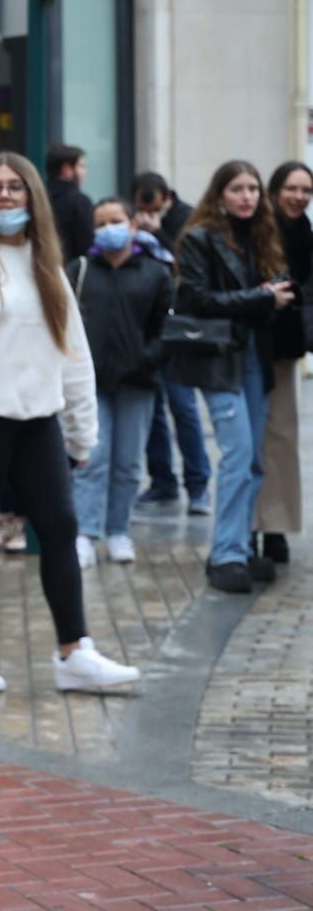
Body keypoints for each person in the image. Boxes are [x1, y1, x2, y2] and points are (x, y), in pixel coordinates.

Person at [0, 151, 141, 694]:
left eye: (16, 188)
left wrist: (83, 432)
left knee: (60, 528)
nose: (6, 197)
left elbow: (74, 354)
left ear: (32, 197)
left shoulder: (47, 267)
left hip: (38, 422)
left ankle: (74, 651)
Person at [171, 160, 296, 593]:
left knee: (255, 458)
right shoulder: (199, 238)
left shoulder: (262, 238)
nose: (247, 197)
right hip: (219, 359)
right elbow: (196, 299)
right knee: (239, 452)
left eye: (253, 190)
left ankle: (239, 546)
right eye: (238, 189)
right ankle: (224, 553)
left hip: (254, 358)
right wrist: (260, 297)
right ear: (219, 194)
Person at [68, 198, 173, 568]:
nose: (108, 227)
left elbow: (167, 329)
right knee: (92, 458)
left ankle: (118, 531)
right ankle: (85, 532)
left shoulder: (155, 273)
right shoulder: (80, 270)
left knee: (128, 463)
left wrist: (145, 359)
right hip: (91, 383)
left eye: (116, 220)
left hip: (138, 382)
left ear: (132, 225)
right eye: (101, 222)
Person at [132, 172, 211, 513]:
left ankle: (198, 486)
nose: (147, 213)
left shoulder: (188, 219)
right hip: (148, 329)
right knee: (154, 414)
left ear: (165, 198)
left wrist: (157, 234)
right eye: (141, 207)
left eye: (151, 207)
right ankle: (162, 481)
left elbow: (188, 266)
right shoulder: (134, 222)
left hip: (179, 329)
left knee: (184, 408)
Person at [256, 161, 313, 564]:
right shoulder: (257, 229)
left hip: (285, 349)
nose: (298, 197)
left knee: (281, 439)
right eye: (292, 189)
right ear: (275, 190)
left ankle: (275, 527)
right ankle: (246, 529)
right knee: (245, 443)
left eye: (306, 190)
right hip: (249, 345)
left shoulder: (305, 233)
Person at [46, 144, 95, 262]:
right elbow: (86, 246)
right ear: (67, 169)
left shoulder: (38, 197)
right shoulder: (79, 201)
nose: (85, 173)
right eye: (81, 166)